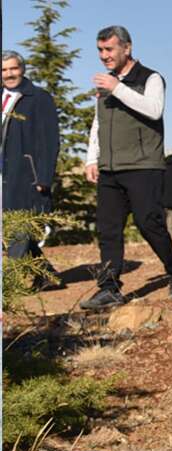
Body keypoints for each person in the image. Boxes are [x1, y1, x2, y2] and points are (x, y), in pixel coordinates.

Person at [80, 26, 172, 310]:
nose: (104, 55)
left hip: (143, 166)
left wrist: (117, 88)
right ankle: (109, 287)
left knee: (149, 224)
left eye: (109, 49)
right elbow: (98, 124)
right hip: (109, 169)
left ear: (126, 49)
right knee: (108, 229)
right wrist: (92, 158)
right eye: (100, 50)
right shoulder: (106, 85)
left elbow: (153, 109)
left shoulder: (151, 78)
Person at [1, 50, 60, 287]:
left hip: (27, 176)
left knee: (19, 227)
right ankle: (45, 274)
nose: (9, 74)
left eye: (13, 68)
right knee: (14, 228)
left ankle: (8, 287)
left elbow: (50, 140)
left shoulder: (39, 98)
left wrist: (44, 177)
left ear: (22, 69)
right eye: (4, 70)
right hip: (3, 175)